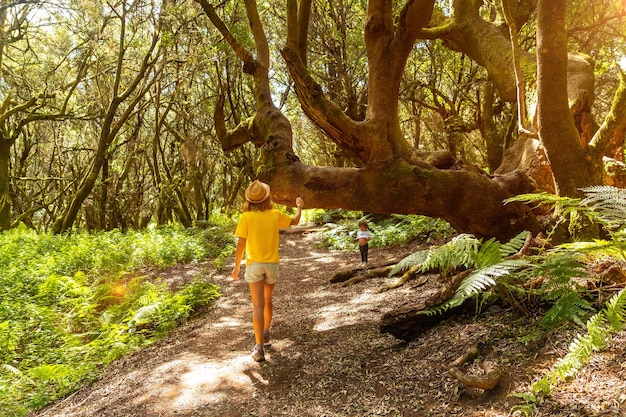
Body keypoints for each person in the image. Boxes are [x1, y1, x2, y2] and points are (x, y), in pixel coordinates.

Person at [231, 180, 304, 362]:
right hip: (272, 264)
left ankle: (259, 348)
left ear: (250, 200)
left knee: (257, 305)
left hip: (254, 264)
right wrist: (299, 207)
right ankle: (266, 333)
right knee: (268, 300)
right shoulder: (274, 214)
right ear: (267, 197)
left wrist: (236, 267)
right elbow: (294, 221)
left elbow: (241, 244)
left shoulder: (246, 217)